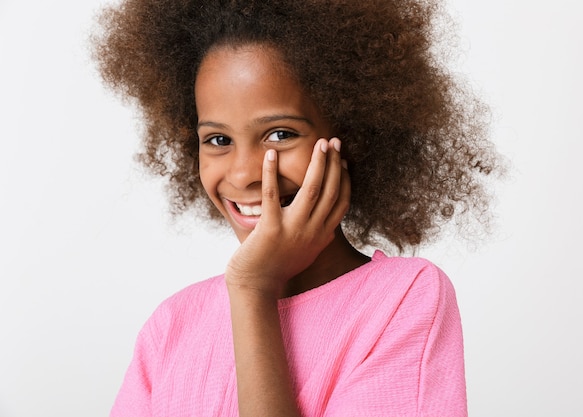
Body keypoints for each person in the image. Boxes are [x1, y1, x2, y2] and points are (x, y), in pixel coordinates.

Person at [92, 0, 501, 415]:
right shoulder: (172, 326)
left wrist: (253, 291)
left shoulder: (402, 300)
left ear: (353, 134)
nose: (244, 173)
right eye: (218, 140)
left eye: (280, 134)